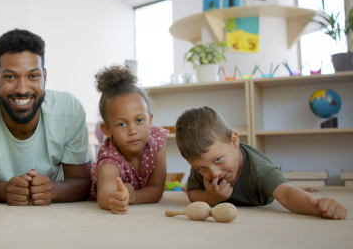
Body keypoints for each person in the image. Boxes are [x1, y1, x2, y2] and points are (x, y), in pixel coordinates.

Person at [0, 29, 91, 206]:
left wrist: (53, 191)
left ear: (45, 77)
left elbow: (82, 181)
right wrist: (3, 190)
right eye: (10, 77)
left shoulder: (68, 108)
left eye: (33, 76)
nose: (22, 89)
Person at [175, 106, 347, 220]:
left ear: (234, 140)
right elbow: (193, 192)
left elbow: (286, 193)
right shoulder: (202, 164)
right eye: (201, 168)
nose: (214, 173)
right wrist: (210, 197)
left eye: (218, 160)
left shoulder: (259, 168)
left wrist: (317, 206)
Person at [90, 64, 167, 214]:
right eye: (122, 124)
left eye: (139, 120)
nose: (132, 131)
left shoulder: (157, 139)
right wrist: (115, 197)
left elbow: (157, 190)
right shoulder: (110, 158)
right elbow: (105, 193)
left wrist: (133, 197)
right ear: (107, 130)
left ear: (150, 120)